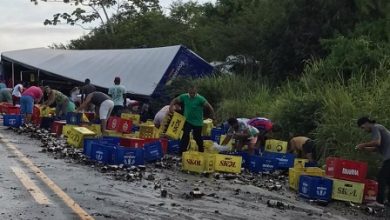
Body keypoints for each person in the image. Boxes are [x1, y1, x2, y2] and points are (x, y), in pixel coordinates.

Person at [356, 117, 390, 208]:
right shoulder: (379, 128)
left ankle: (379, 202)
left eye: (363, 128)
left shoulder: (375, 127)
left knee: (381, 177)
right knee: (388, 179)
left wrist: (363, 144)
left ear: (367, 123)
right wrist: (363, 149)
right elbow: (375, 148)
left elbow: (377, 142)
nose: (363, 130)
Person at [170, 85, 215, 153]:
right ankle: (182, 151)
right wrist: (170, 107)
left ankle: (201, 149)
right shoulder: (184, 96)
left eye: (193, 93)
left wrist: (213, 115)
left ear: (196, 92)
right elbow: (175, 100)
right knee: (185, 135)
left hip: (198, 121)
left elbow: (209, 107)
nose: (192, 95)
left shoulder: (200, 99)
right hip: (188, 120)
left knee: (197, 137)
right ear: (188, 92)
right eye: (190, 93)